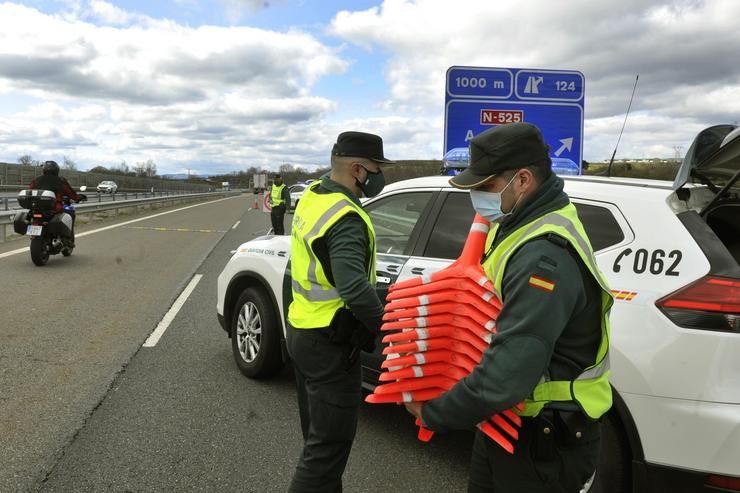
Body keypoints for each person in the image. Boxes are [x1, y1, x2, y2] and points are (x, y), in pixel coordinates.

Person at [404, 123, 613, 493]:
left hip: (543, 440)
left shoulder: (544, 253)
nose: (477, 198)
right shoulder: (520, 222)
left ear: (522, 180)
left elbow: (509, 372)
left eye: (485, 187)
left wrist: (435, 411)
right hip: (506, 423)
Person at [286, 131, 394, 492]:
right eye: (376, 167)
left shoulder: (315, 195)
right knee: (325, 454)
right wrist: (387, 328)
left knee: (317, 444)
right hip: (330, 347)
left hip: (303, 331)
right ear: (357, 168)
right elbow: (352, 288)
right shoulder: (345, 216)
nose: (379, 175)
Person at [28, 160, 87, 246]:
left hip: (37, 208)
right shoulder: (60, 180)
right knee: (70, 213)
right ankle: (67, 239)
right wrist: (79, 197)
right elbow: (70, 193)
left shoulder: (36, 180)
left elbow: (30, 191)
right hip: (54, 208)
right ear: (56, 170)